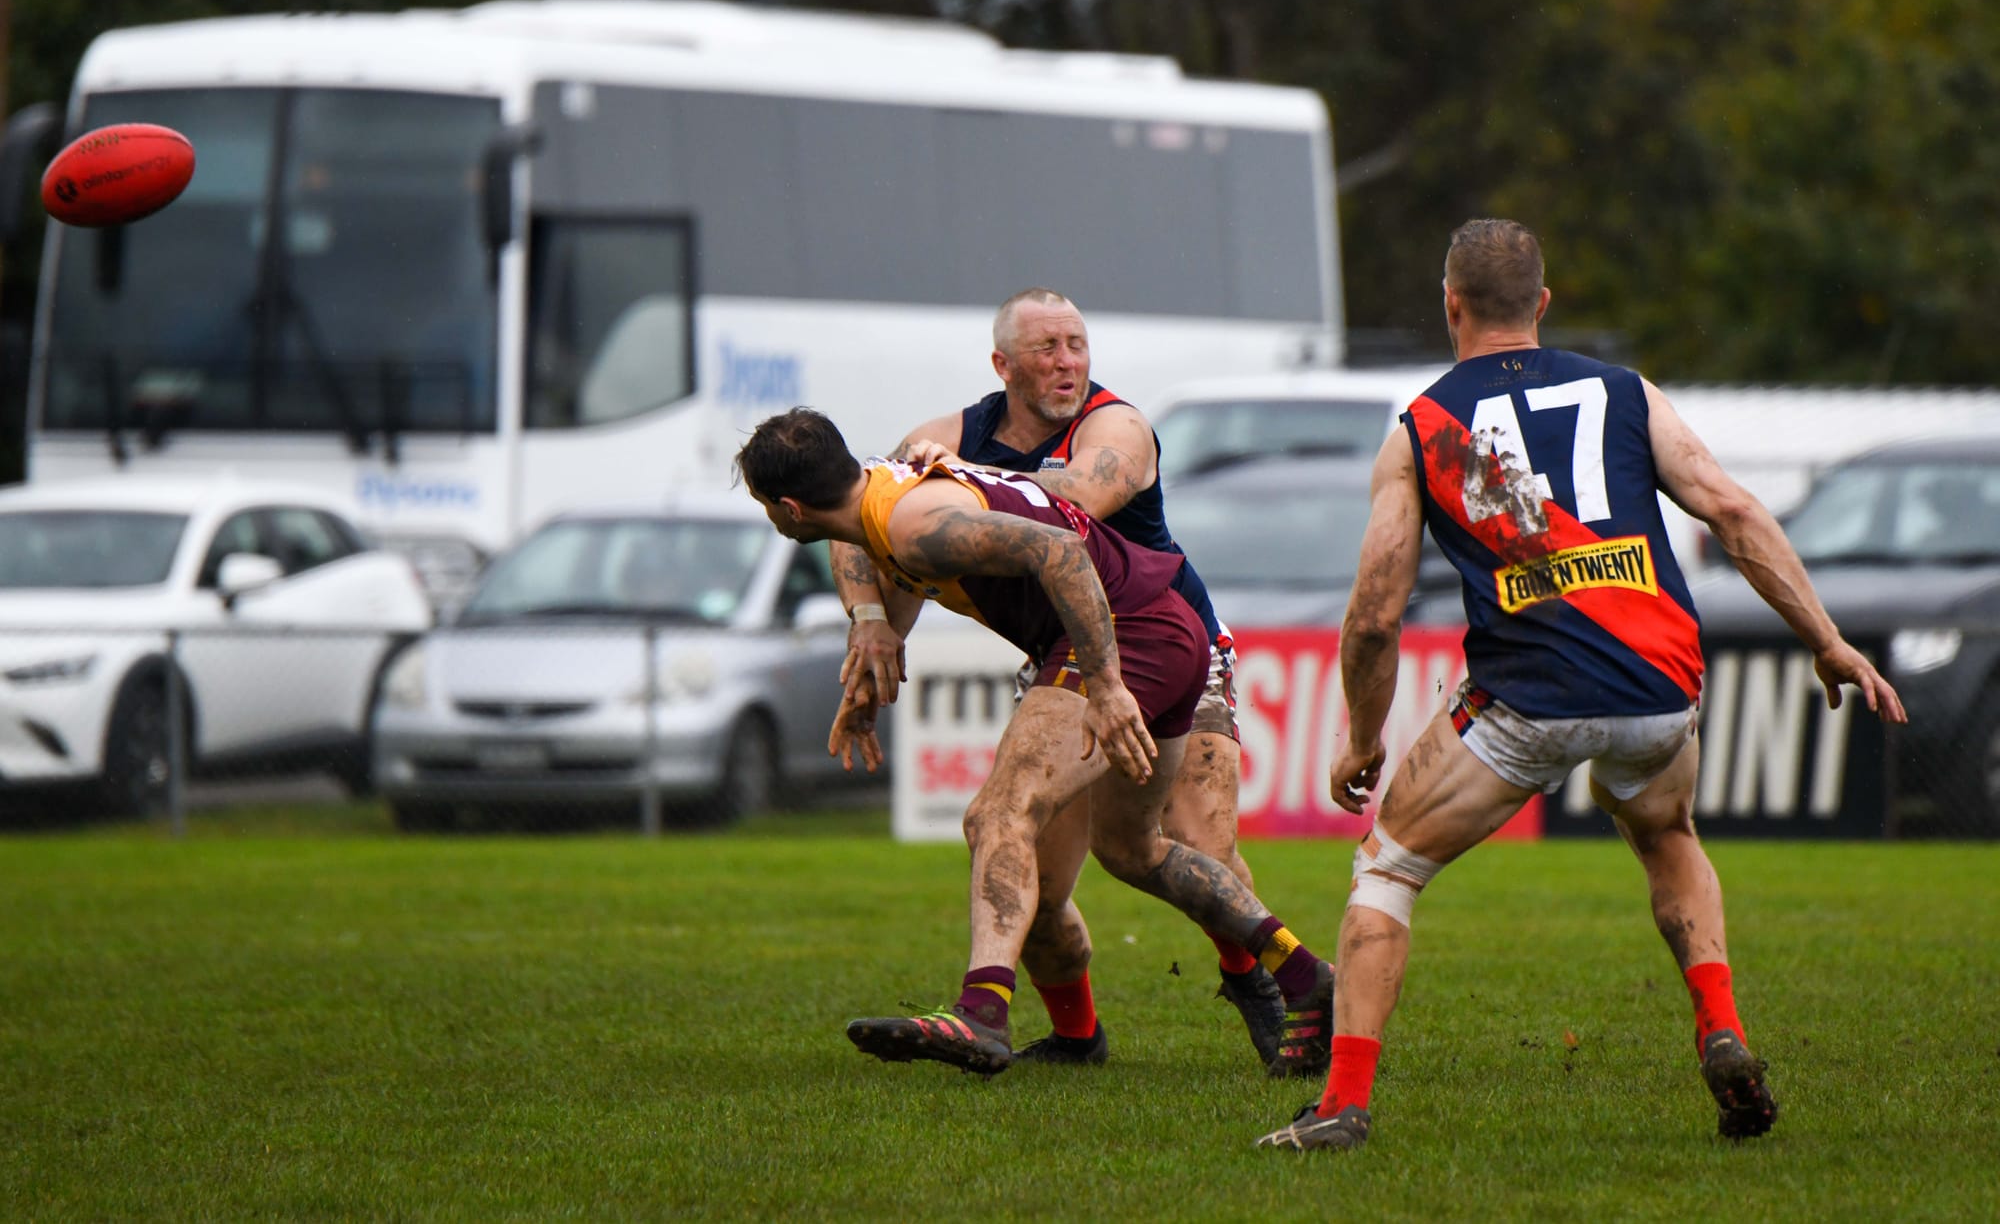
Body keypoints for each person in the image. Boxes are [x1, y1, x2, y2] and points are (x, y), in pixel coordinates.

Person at [1257, 219, 1906, 1152]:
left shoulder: (1424, 430)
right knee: (1666, 831)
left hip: (1526, 700)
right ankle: (1720, 1029)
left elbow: (1372, 612)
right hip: (1658, 688)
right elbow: (1731, 508)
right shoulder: (1628, 393)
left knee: (1389, 865)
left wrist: (1362, 736)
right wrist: (1828, 639)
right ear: (1544, 304)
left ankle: (1343, 1105)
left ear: (1451, 305)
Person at [736, 407, 1334, 1078]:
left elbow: (1062, 551)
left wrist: (1107, 684)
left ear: (787, 510)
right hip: (1162, 625)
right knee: (1133, 850)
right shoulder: (887, 492)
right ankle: (1303, 972)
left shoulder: (913, 526)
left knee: (998, 812)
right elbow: (862, 549)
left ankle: (981, 1012)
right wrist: (872, 629)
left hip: (1126, 634)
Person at [829, 288, 1294, 1072]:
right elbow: (862, 512)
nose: (1067, 361)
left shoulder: (1117, 426)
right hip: (1069, 654)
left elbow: (1071, 498)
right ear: (1002, 365)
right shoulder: (949, 432)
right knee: (1031, 882)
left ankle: (1260, 978)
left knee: (1195, 844)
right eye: (1046, 348)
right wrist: (871, 619)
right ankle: (1077, 1036)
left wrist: (961, 476)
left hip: (1173, 642)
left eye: (1077, 344)